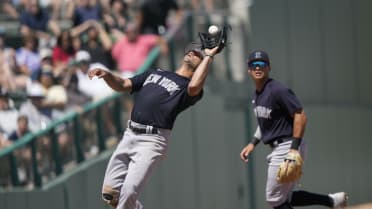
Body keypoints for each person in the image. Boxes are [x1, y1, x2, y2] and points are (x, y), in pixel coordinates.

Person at [88, 43, 221, 209]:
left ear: (201, 65)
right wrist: (108, 75)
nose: (193, 53)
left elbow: (195, 86)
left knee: (128, 192)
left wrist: (208, 56)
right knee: (111, 193)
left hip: (152, 140)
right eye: (191, 51)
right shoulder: (155, 72)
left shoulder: (188, 88)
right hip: (130, 133)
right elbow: (122, 85)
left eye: (197, 55)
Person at [239, 50, 348, 209]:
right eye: (253, 65)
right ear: (248, 69)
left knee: (274, 199)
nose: (257, 68)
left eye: (262, 64)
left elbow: (301, 115)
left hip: (288, 146)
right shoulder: (258, 94)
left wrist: (293, 149)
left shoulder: (277, 90)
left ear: (268, 67)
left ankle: (332, 201)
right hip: (283, 146)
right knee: (285, 197)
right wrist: (252, 143)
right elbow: (265, 123)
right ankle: (332, 201)